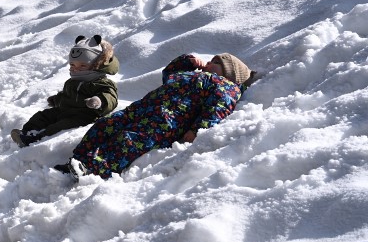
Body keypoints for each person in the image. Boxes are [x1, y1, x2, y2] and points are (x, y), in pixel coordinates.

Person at [55, 53, 256, 178]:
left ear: (228, 73)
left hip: (166, 121)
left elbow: (218, 108)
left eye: (215, 63)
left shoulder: (224, 86)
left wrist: (197, 129)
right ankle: (77, 159)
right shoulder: (189, 74)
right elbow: (168, 73)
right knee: (105, 125)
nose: (209, 62)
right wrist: (186, 61)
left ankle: (94, 168)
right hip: (142, 109)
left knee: (128, 141)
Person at [10, 35, 118, 147]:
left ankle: (35, 140)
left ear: (97, 65)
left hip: (83, 116)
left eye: (82, 66)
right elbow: (68, 95)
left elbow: (110, 97)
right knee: (43, 116)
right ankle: (27, 132)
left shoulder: (101, 82)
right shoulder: (72, 82)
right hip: (64, 111)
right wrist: (57, 99)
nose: (75, 69)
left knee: (59, 127)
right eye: (72, 65)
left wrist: (99, 101)